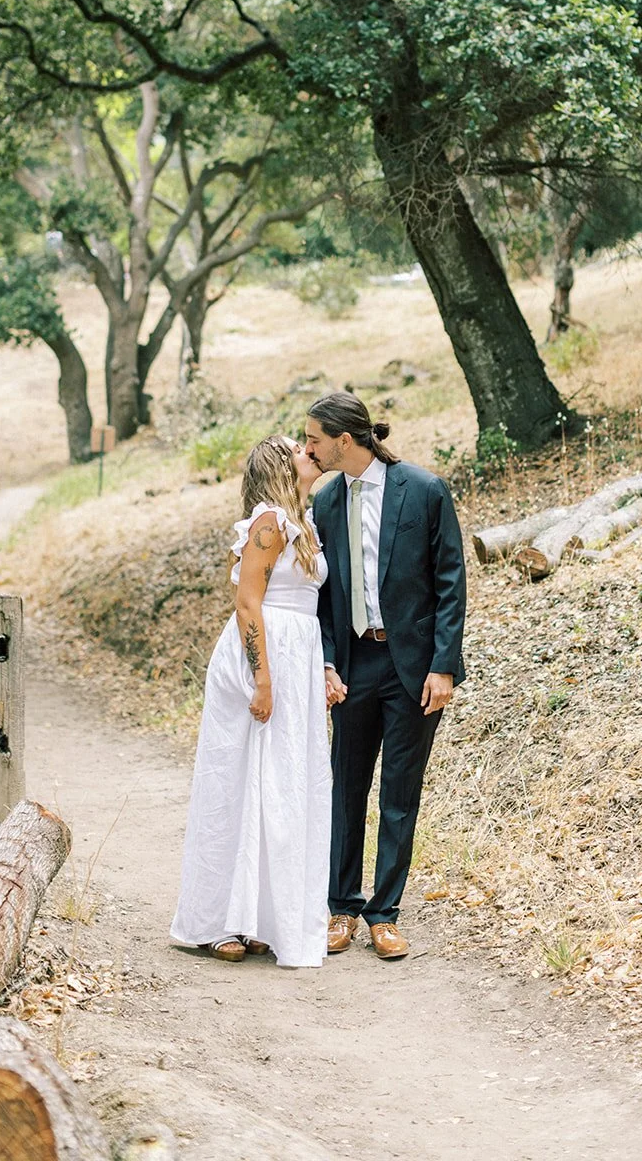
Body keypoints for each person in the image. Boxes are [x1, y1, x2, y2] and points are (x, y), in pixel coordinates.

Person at [306, 392, 466, 961]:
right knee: (346, 787)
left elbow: (451, 581)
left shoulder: (422, 490)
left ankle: (385, 913)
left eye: (314, 440)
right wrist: (325, 661)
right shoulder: (323, 504)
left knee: (400, 790)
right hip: (351, 665)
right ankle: (341, 907)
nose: (309, 449)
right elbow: (318, 598)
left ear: (344, 440)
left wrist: (444, 665)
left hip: (414, 668)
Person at [170, 436, 331, 967]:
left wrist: (321, 668)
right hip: (259, 658)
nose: (310, 450)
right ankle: (216, 921)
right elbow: (246, 603)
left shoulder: (302, 524)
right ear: (280, 467)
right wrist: (262, 678)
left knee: (283, 784)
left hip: (297, 653)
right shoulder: (268, 522)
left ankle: (262, 916)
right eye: (298, 448)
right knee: (236, 782)